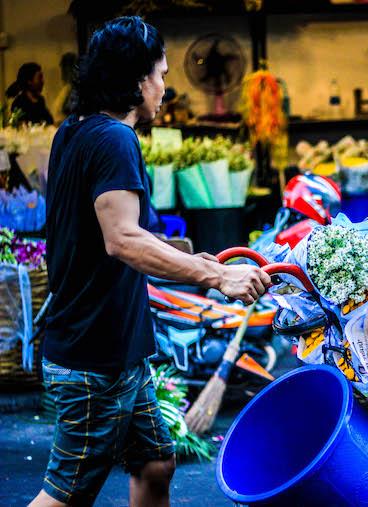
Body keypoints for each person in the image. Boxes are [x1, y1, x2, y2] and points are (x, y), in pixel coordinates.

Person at [30, 17, 271, 507]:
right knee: (65, 494)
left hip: (118, 349)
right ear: (137, 80)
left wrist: (183, 255)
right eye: (161, 75)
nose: (165, 87)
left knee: (155, 462)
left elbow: (97, 231)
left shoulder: (75, 131)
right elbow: (121, 240)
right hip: (94, 357)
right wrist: (218, 274)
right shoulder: (116, 140)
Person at [51, 52, 78, 124]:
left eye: (66, 67)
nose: (63, 71)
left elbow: (68, 110)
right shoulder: (68, 87)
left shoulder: (73, 88)